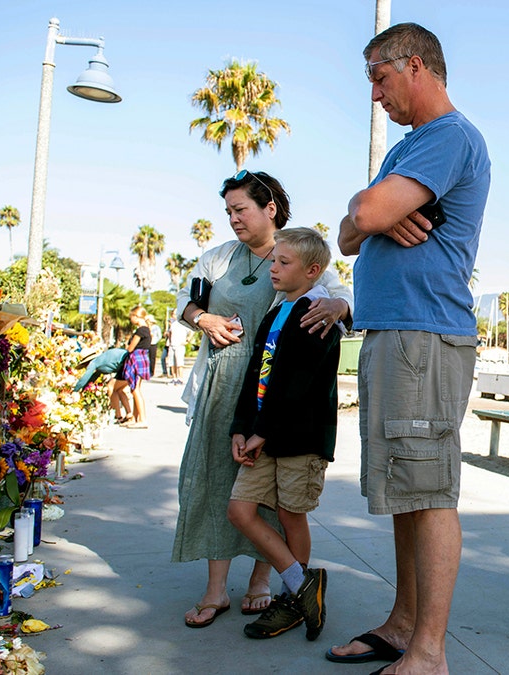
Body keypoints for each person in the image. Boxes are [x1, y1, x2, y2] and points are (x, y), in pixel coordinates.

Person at [323, 23, 490, 675]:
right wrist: (368, 214)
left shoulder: (449, 138)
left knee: (430, 490)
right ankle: (402, 624)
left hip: (426, 335)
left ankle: (429, 652)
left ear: (415, 65)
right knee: (405, 488)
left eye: (378, 76)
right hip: (396, 334)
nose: (374, 94)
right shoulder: (412, 149)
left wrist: (371, 214)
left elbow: (362, 217)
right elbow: (348, 232)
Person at [172, 170, 352, 630]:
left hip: (277, 403)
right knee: (218, 483)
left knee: (272, 494)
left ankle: (263, 582)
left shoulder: (300, 258)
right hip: (223, 393)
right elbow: (185, 301)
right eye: (228, 211)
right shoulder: (217, 258)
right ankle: (215, 589)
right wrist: (203, 318)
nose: (233, 218)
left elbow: (340, 299)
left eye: (241, 209)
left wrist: (342, 306)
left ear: (269, 208)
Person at [226, 227, 342, 641]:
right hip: (263, 435)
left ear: (313, 271)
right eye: (274, 260)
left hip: (300, 438)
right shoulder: (276, 312)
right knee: (240, 510)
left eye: (283, 262)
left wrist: (262, 431)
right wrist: (242, 428)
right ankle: (303, 584)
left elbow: (299, 384)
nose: (273, 267)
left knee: (293, 514)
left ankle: (293, 602)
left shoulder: (317, 314)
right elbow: (255, 374)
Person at [110, 306, 151, 429]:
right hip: (142, 360)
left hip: (136, 360)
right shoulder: (147, 330)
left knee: (135, 390)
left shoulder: (140, 331)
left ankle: (142, 419)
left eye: (132, 316)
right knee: (136, 389)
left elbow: (130, 348)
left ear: (137, 317)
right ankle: (135, 418)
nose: (131, 319)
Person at [168, 312, 191, 385]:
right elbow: (170, 333)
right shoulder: (173, 324)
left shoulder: (183, 324)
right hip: (172, 345)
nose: (174, 316)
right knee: (172, 362)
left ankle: (180, 378)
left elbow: (191, 331)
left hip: (180, 345)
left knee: (179, 362)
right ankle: (174, 378)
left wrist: (188, 340)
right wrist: (170, 341)